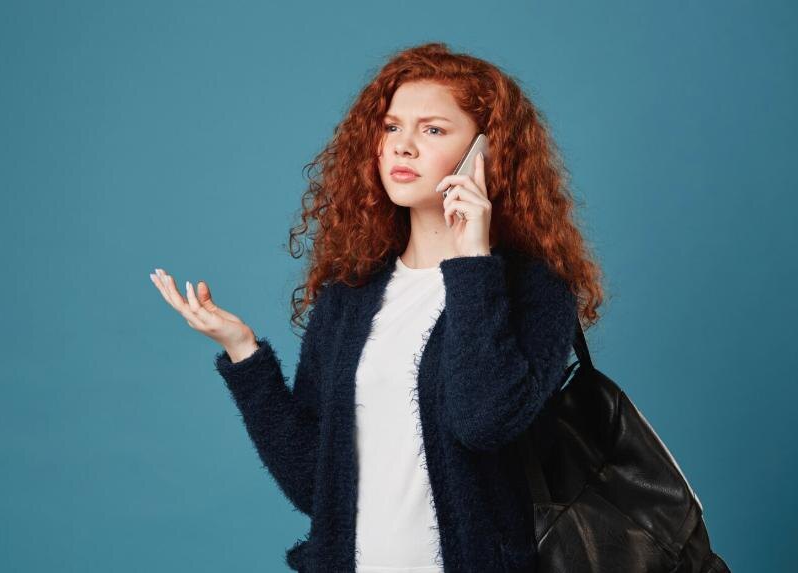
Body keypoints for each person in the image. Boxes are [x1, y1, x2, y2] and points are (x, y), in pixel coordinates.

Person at [150, 42, 604, 573]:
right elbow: (315, 487)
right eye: (391, 128)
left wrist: (474, 261)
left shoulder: (534, 291)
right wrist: (243, 353)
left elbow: (484, 420)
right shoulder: (352, 293)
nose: (402, 147)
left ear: (486, 151)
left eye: (432, 130)